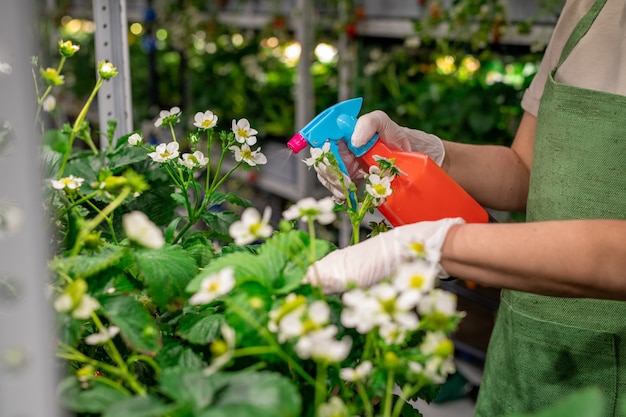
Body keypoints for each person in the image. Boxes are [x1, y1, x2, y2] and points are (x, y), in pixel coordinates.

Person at [305, 0, 626, 415]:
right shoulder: (587, 7)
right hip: (526, 356)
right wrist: (427, 156)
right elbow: (530, 170)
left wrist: (435, 244)